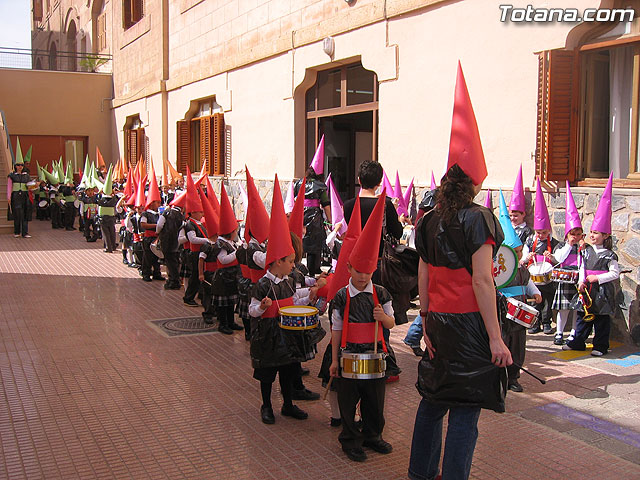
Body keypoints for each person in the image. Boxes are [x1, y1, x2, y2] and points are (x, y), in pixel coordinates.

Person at [408, 65, 511, 480]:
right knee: (466, 410)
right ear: (474, 182)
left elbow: (424, 275)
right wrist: (495, 337)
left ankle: (420, 474)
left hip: (439, 322)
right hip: (469, 325)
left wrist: (427, 319)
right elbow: (483, 281)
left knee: (433, 402)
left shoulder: (427, 220)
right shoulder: (479, 219)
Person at [329, 193, 395, 463]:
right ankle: (350, 439)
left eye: (367, 272)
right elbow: (335, 329)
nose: (362, 277)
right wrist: (334, 360)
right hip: (348, 354)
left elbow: (391, 323)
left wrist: (382, 317)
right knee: (348, 400)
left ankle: (372, 435)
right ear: (349, 268)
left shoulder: (381, 294)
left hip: (375, 351)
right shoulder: (342, 296)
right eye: (358, 272)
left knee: (375, 400)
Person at [249, 175, 311, 424]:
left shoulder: (286, 282)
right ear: (276, 262)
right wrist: (260, 308)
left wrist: (312, 294)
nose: (293, 265)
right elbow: (251, 309)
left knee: (287, 370)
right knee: (267, 374)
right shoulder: (263, 284)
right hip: (267, 337)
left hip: (286, 335)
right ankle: (266, 405)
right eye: (289, 261)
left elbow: (294, 299)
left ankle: (287, 404)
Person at [343, 160, 403, 381]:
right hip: (379, 267)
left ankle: (355, 353)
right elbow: (396, 232)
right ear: (379, 182)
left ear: (359, 180)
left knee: (356, 310)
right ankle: (384, 361)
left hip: (356, 268)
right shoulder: (385, 205)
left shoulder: (349, 205)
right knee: (381, 312)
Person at [564, 174, 619, 357]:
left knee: (601, 319)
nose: (593, 235)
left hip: (601, 291)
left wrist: (598, 278)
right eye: (592, 232)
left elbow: (615, 274)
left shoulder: (609, 255)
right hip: (587, 289)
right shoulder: (586, 251)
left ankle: (600, 346)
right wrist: (581, 281)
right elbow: (582, 268)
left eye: (597, 233)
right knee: (582, 316)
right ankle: (578, 341)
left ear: (605, 236)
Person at [496, 190, 541, 393]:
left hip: (519, 315)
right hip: (502, 314)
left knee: (518, 346)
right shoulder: (497, 270)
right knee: (503, 343)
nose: (519, 255)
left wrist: (535, 292)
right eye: (514, 252)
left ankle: (513, 377)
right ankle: (499, 377)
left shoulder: (523, 268)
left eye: (520, 251)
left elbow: (528, 282)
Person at [521, 179, 558, 335]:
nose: (541, 235)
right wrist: (527, 257)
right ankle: (534, 324)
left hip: (548, 277)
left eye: (544, 233)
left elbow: (558, 260)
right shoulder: (530, 240)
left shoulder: (554, 242)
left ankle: (547, 322)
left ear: (548, 231)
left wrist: (552, 257)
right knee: (536, 300)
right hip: (534, 276)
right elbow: (523, 257)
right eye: (538, 232)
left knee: (547, 301)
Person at [552, 182, 584, 345]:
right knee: (563, 308)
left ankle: (573, 332)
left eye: (579, 234)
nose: (576, 237)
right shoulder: (562, 246)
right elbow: (559, 258)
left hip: (577, 280)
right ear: (567, 234)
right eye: (573, 234)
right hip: (564, 279)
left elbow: (583, 263)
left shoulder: (583, 248)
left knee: (576, 308)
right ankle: (559, 332)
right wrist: (569, 245)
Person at [211, 184, 244, 334]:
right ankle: (223, 323)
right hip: (223, 277)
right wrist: (237, 253)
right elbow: (223, 260)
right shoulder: (220, 244)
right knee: (223, 303)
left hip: (232, 276)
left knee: (231, 301)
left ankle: (231, 322)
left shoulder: (231, 242)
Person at [294, 167, 330, 275]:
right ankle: (314, 270)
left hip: (300, 215)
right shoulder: (320, 186)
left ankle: (300, 268)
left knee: (302, 242)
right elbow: (326, 204)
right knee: (315, 243)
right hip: (314, 216)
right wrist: (330, 219)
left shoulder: (298, 183)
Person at [157, 193, 185, 290]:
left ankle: (173, 280)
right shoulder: (181, 216)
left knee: (170, 261)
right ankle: (174, 279)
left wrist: (158, 233)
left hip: (166, 240)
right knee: (175, 261)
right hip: (176, 241)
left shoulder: (166, 213)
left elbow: (159, 225)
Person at [7, 157, 33, 238]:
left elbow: (30, 186)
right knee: (17, 214)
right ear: (15, 166)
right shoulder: (12, 176)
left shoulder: (27, 176)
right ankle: (17, 232)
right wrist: (9, 197)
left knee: (25, 213)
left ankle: (25, 232)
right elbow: (9, 186)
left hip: (25, 196)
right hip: (16, 196)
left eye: (21, 165)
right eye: (18, 165)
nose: (20, 166)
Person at [509, 165, 532, 244]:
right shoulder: (508, 228)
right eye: (511, 216)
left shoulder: (526, 230)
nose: (512, 218)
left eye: (515, 216)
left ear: (523, 214)